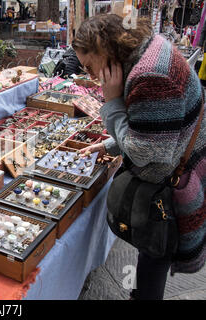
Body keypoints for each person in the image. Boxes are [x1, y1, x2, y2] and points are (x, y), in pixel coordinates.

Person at [72, 14, 205, 300]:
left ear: (103, 50)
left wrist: (111, 104)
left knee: (157, 246)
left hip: (172, 177)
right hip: (180, 155)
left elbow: (146, 152)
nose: (90, 75)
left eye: (89, 66)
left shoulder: (149, 75)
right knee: (154, 249)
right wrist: (109, 146)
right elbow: (154, 127)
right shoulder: (145, 48)